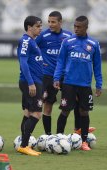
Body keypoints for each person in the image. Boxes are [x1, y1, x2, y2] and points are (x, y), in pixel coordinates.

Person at [53, 16, 103, 151]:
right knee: (65, 110)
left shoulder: (93, 43)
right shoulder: (67, 42)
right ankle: (59, 138)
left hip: (85, 85)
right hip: (69, 83)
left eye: (79, 27)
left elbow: (97, 66)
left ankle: (84, 142)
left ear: (86, 27)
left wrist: (99, 84)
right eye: (75, 26)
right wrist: (57, 78)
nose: (76, 29)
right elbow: (60, 61)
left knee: (84, 112)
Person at [35, 11, 72, 135]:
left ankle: (61, 135)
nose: (50, 24)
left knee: (68, 105)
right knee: (48, 105)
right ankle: (48, 136)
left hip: (65, 76)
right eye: (49, 21)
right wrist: (40, 62)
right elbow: (32, 48)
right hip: (48, 74)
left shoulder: (68, 35)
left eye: (53, 22)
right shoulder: (43, 36)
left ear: (60, 22)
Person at [16, 15, 43, 156]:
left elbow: (33, 60)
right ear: (29, 27)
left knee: (28, 112)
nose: (40, 28)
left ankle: (23, 144)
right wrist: (31, 83)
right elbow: (24, 62)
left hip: (34, 80)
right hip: (31, 82)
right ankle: (24, 145)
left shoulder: (32, 41)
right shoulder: (26, 40)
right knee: (37, 113)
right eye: (38, 26)